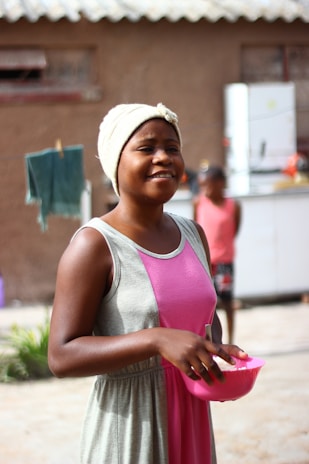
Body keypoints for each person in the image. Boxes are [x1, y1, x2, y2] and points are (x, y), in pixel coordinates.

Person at [48, 103, 248, 464]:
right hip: (132, 429)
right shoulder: (94, 245)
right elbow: (61, 356)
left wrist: (213, 349)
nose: (164, 158)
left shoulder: (192, 234)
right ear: (115, 162)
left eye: (172, 148)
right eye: (147, 148)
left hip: (192, 419)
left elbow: (206, 314)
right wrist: (155, 339)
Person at [194, 165, 241, 344]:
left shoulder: (233, 206)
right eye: (201, 186)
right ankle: (206, 340)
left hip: (224, 262)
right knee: (204, 303)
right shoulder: (199, 202)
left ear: (220, 183)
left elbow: (234, 229)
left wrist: (222, 249)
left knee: (227, 302)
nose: (204, 190)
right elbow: (195, 229)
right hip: (203, 262)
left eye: (208, 185)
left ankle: (230, 339)